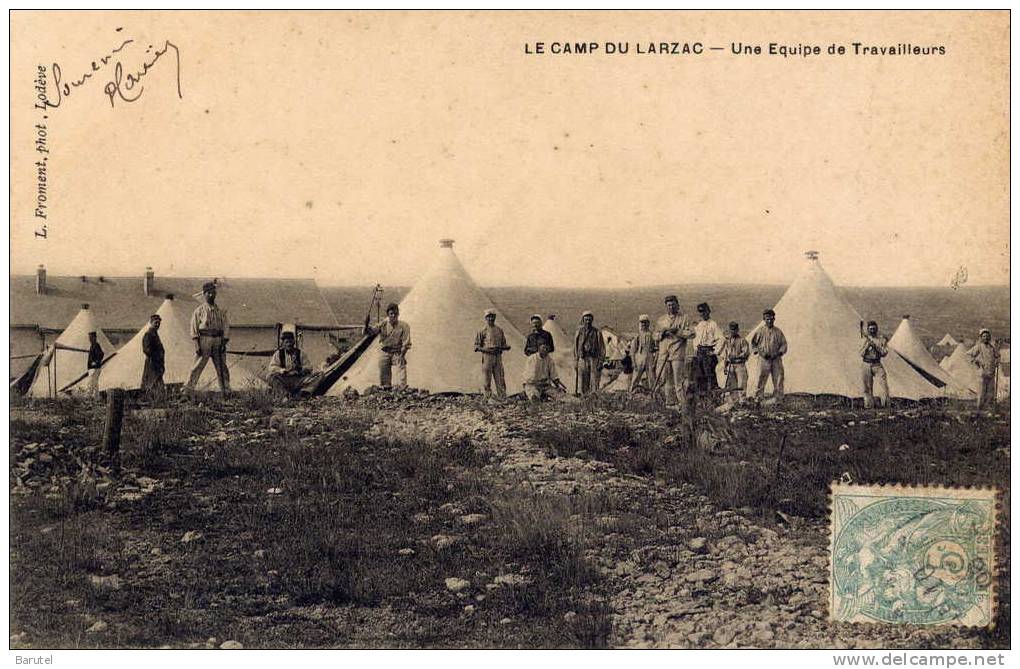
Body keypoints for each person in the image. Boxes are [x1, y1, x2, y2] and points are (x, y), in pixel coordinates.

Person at [186, 282, 231, 393]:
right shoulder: (199, 311)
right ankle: (187, 389)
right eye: (208, 293)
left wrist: (223, 343)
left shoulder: (220, 311)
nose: (211, 295)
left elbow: (226, 327)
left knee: (222, 367)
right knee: (198, 366)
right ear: (204, 294)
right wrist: (197, 344)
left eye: (213, 293)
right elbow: (194, 328)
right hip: (204, 340)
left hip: (218, 341)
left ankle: (226, 390)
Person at [654, 295, 695, 406]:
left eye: (673, 305)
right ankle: (669, 403)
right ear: (666, 306)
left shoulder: (684, 318)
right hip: (664, 354)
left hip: (677, 353)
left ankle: (682, 404)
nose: (671, 307)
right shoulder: (661, 320)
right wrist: (663, 333)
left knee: (678, 381)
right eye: (669, 305)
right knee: (665, 379)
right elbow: (655, 336)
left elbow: (692, 334)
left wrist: (678, 331)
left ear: (677, 305)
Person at [370, 303, 412, 389]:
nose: (393, 316)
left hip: (397, 352)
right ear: (388, 314)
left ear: (398, 314)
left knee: (401, 365)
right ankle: (386, 389)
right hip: (384, 352)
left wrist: (402, 355)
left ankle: (402, 388)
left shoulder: (404, 326)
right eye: (391, 314)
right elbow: (372, 332)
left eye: (395, 314)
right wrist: (366, 326)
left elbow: (406, 343)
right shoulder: (383, 324)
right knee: (383, 373)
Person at [751, 308, 787, 405]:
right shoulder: (760, 331)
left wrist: (779, 353)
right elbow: (753, 344)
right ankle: (758, 399)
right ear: (764, 319)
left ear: (774, 319)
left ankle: (778, 399)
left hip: (776, 359)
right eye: (767, 319)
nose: (769, 320)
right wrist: (760, 353)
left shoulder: (778, 332)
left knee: (778, 378)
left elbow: (784, 344)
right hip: (764, 358)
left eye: (771, 318)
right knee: (760, 377)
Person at [474, 309, 511, 399]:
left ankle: (502, 396)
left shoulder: (499, 330)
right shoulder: (482, 331)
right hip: (487, 356)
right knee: (487, 377)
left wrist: (505, 347)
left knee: (500, 376)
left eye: (492, 316)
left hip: (498, 355)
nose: (491, 318)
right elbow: (476, 346)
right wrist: (486, 350)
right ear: (485, 318)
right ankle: (488, 396)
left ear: (495, 317)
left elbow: (504, 343)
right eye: (489, 317)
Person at [691, 302, 725, 398]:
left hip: (708, 353)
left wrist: (715, 351)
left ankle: (713, 397)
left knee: (710, 375)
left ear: (708, 312)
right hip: (700, 352)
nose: (702, 314)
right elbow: (695, 339)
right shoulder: (699, 325)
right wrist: (696, 348)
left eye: (704, 311)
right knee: (700, 375)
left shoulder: (713, 324)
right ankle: (703, 399)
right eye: (700, 312)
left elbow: (721, 339)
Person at [267, 331, 312, 395]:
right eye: (286, 342)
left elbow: (309, 367)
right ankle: (285, 394)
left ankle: (303, 392)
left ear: (294, 342)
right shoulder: (278, 354)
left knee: (318, 375)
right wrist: (282, 370)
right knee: (270, 377)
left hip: (298, 380)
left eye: (290, 342)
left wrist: (300, 370)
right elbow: (272, 367)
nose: (289, 344)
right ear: (283, 343)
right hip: (285, 379)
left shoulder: (301, 353)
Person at [860, 320, 890, 409]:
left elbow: (884, 353)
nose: (872, 330)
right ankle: (869, 406)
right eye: (870, 329)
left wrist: (876, 347)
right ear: (868, 330)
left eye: (874, 328)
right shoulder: (864, 339)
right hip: (866, 364)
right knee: (867, 386)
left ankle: (885, 405)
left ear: (876, 329)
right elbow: (861, 353)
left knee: (883, 385)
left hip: (877, 364)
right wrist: (867, 345)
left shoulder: (881, 339)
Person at [968, 328, 1000, 411]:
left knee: (990, 393)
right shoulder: (978, 347)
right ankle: (979, 410)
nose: (986, 338)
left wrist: (996, 362)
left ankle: (988, 410)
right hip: (982, 374)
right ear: (981, 337)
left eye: (987, 336)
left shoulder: (992, 348)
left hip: (991, 373)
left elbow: (998, 356)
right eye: (984, 336)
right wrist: (977, 362)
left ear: (989, 337)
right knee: (981, 393)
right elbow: (969, 355)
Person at [574, 311, 605, 395]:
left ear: (592, 320)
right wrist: (576, 360)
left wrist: (601, 361)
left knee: (594, 379)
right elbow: (575, 347)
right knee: (583, 379)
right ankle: (583, 396)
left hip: (593, 358)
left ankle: (593, 397)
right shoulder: (579, 332)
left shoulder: (597, 332)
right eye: (586, 320)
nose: (587, 322)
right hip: (582, 358)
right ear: (583, 320)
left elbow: (602, 348)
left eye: (589, 320)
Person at [719, 321, 750, 403]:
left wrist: (737, 356)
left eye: (734, 330)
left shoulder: (742, 340)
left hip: (740, 365)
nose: (733, 331)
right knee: (732, 384)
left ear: (737, 330)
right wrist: (725, 366)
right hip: (731, 365)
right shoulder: (727, 341)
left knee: (741, 383)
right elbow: (725, 354)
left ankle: (742, 401)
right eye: (731, 330)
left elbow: (746, 352)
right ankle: (734, 400)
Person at [629, 315, 657, 392]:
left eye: (645, 322)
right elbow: (632, 350)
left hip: (649, 356)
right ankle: (631, 392)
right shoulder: (637, 335)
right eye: (642, 323)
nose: (644, 324)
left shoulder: (652, 335)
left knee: (651, 376)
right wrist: (633, 362)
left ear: (648, 323)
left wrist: (655, 359)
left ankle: (653, 393)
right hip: (639, 356)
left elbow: (656, 348)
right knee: (636, 376)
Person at [141, 314, 166, 395]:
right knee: (151, 382)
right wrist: (157, 355)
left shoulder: (155, 334)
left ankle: (157, 398)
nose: (158, 325)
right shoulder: (148, 334)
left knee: (157, 381)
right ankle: (151, 398)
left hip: (157, 363)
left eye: (159, 323)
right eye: (156, 323)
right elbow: (146, 349)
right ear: (151, 323)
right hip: (152, 363)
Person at [86, 331, 104, 397]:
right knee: (95, 384)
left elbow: (101, 354)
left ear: (94, 338)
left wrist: (96, 362)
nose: (90, 339)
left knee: (91, 383)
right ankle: (96, 397)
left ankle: (89, 397)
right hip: (94, 368)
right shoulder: (93, 345)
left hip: (94, 368)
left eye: (91, 338)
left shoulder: (96, 345)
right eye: (89, 338)